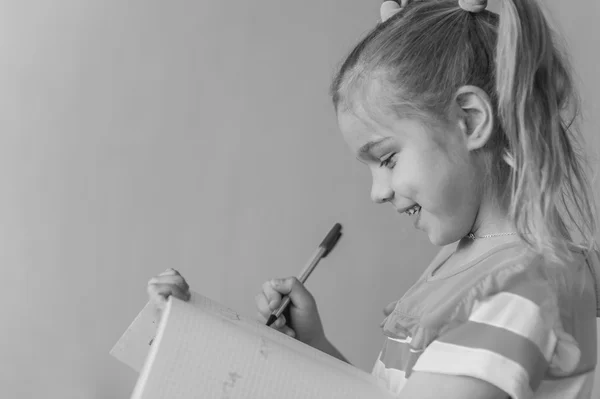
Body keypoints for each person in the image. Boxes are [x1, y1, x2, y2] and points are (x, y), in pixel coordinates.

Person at [146, 0, 600, 398]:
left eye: (386, 159)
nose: (377, 193)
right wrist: (314, 350)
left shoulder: (519, 287)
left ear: (470, 120)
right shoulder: (469, 264)